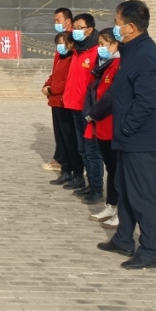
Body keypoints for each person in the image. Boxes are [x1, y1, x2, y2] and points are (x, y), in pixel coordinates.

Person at [96, 0, 156, 270]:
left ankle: (150, 250)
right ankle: (124, 238)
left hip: (141, 139)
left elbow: (147, 101)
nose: (115, 27)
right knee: (124, 189)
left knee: (143, 195)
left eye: (117, 23)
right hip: (128, 138)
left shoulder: (145, 55)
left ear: (131, 27)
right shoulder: (131, 51)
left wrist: (126, 127)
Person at [61, 13, 104, 200]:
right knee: (83, 149)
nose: (75, 31)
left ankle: (97, 188)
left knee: (93, 151)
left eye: (79, 27)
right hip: (74, 106)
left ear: (90, 29)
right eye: (74, 27)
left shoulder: (95, 52)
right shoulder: (77, 50)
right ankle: (89, 184)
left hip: (89, 110)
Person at [84, 28, 121, 220]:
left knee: (117, 168)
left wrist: (93, 114)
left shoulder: (118, 65)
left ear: (115, 45)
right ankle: (111, 204)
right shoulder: (103, 65)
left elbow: (111, 97)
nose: (100, 48)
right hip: (100, 124)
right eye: (98, 44)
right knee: (111, 167)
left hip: (110, 123)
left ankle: (120, 209)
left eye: (103, 44)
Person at [46, 31, 82, 187]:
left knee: (70, 141)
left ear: (71, 43)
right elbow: (54, 76)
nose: (60, 46)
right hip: (55, 103)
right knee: (61, 140)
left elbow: (68, 81)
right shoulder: (60, 58)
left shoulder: (72, 58)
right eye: (58, 43)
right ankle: (65, 171)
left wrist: (52, 90)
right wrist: (46, 85)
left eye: (62, 43)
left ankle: (78, 174)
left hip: (65, 103)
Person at [42, 7, 74, 172]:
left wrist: (52, 89)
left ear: (68, 21)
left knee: (67, 133)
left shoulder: (72, 45)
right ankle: (61, 159)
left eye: (57, 20)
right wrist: (47, 84)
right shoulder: (62, 42)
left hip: (64, 97)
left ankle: (68, 164)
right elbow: (57, 71)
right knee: (60, 131)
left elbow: (68, 75)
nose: (55, 23)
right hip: (56, 96)